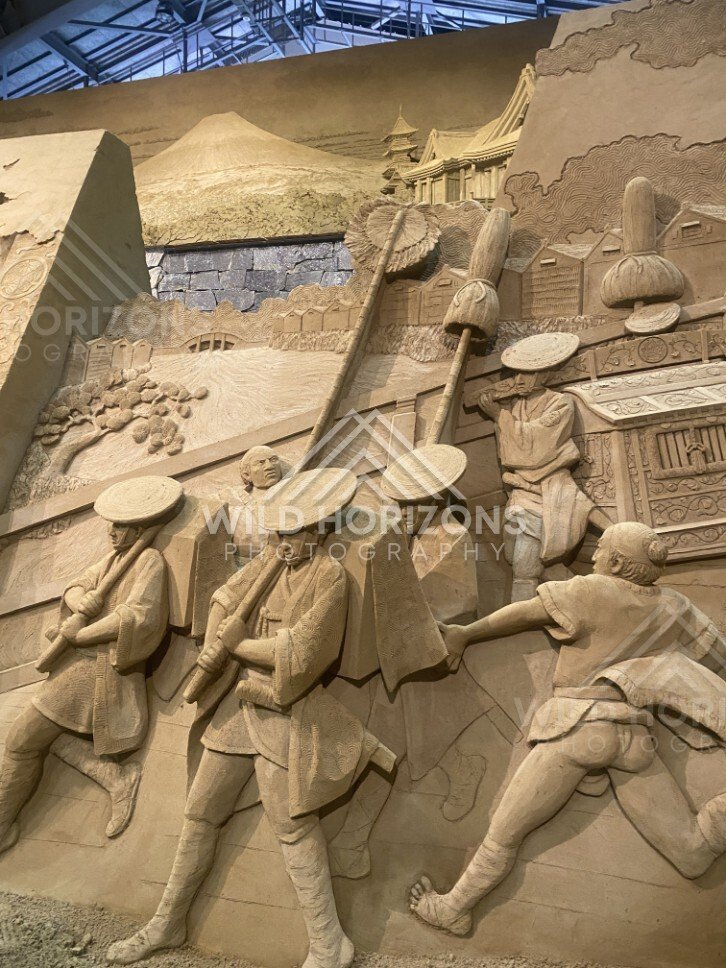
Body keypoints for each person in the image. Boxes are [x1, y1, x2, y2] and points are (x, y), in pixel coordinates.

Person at [107, 467, 394, 968]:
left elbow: (307, 650)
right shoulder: (268, 561)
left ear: (320, 532)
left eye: (296, 533)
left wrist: (241, 646)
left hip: (285, 711)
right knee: (199, 813)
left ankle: (330, 943)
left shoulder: (330, 577)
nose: (284, 543)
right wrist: (220, 632)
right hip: (238, 708)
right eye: (280, 532)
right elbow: (224, 596)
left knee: (293, 826)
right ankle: (168, 922)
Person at [409, 521, 726, 935]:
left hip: (579, 728)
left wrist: (465, 634)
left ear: (615, 561)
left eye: (601, 550)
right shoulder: (675, 606)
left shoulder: (592, 589)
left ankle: (453, 908)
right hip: (632, 736)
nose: (593, 556)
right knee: (692, 851)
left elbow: (526, 613)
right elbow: (716, 657)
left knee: (504, 834)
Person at [329, 445, 517, 880]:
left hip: (427, 653)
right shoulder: (407, 535)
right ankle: (458, 767)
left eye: (411, 505)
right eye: (400, 504)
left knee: (386, 741)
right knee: (396, 735)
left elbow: (453, 601)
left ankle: (353, 840)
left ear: (433, 502)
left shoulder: (451, 537)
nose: (402, 512)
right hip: (394, 653)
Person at [0, 475, 179, 853]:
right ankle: (115, 779)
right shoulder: (115, 559)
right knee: (36, 739)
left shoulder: (149, 562)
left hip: (98, 669)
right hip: (76, 664)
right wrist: (80, 599)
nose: (112, 533)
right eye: (112, 526)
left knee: (20, 741)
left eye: (121, 526)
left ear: (140, 529)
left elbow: (138, 617)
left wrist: (84, 634)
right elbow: (78, 585)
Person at [480, 332, 611, 601]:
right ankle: (588, 598)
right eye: (516, 375)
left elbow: (538, 446)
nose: (518, 381)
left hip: (551, 489)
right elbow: (508, 453)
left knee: (525, 567)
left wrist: (499, 417)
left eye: (526, 375)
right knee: (530, 559)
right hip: (520, 493)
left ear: (545, 374)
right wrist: (502, 416)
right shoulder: (516, 406)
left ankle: (522, 621)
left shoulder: (561, 403)